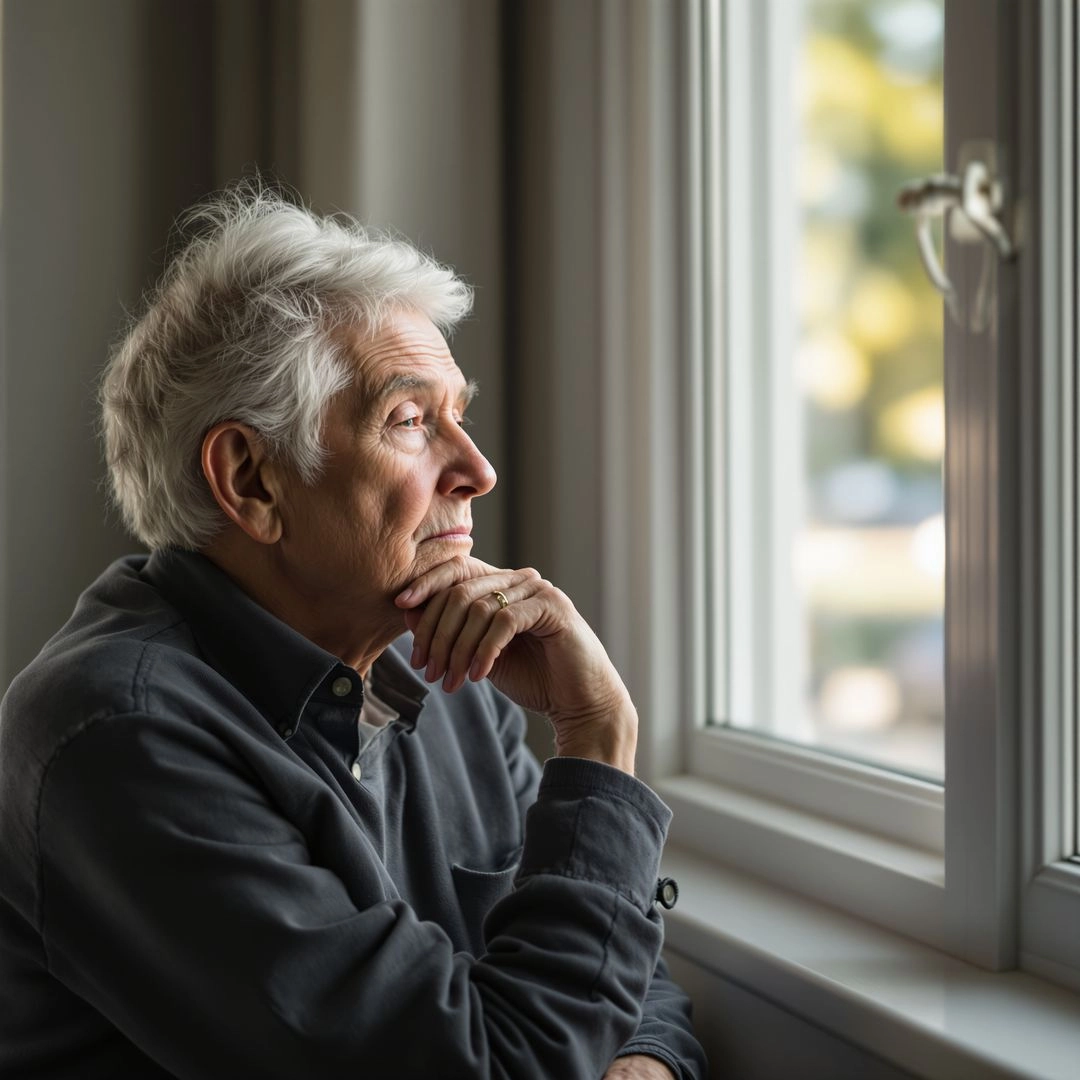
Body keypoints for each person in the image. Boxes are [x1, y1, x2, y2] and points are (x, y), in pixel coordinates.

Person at [0, 185, 707, 1079]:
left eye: (460, 416)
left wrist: (642, 1061)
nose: (478, 470)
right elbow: (497, 1063)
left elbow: (615, 967)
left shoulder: (441, 668)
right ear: (251, 480)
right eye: (410, 421)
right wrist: (597, 736)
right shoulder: (121, 737)